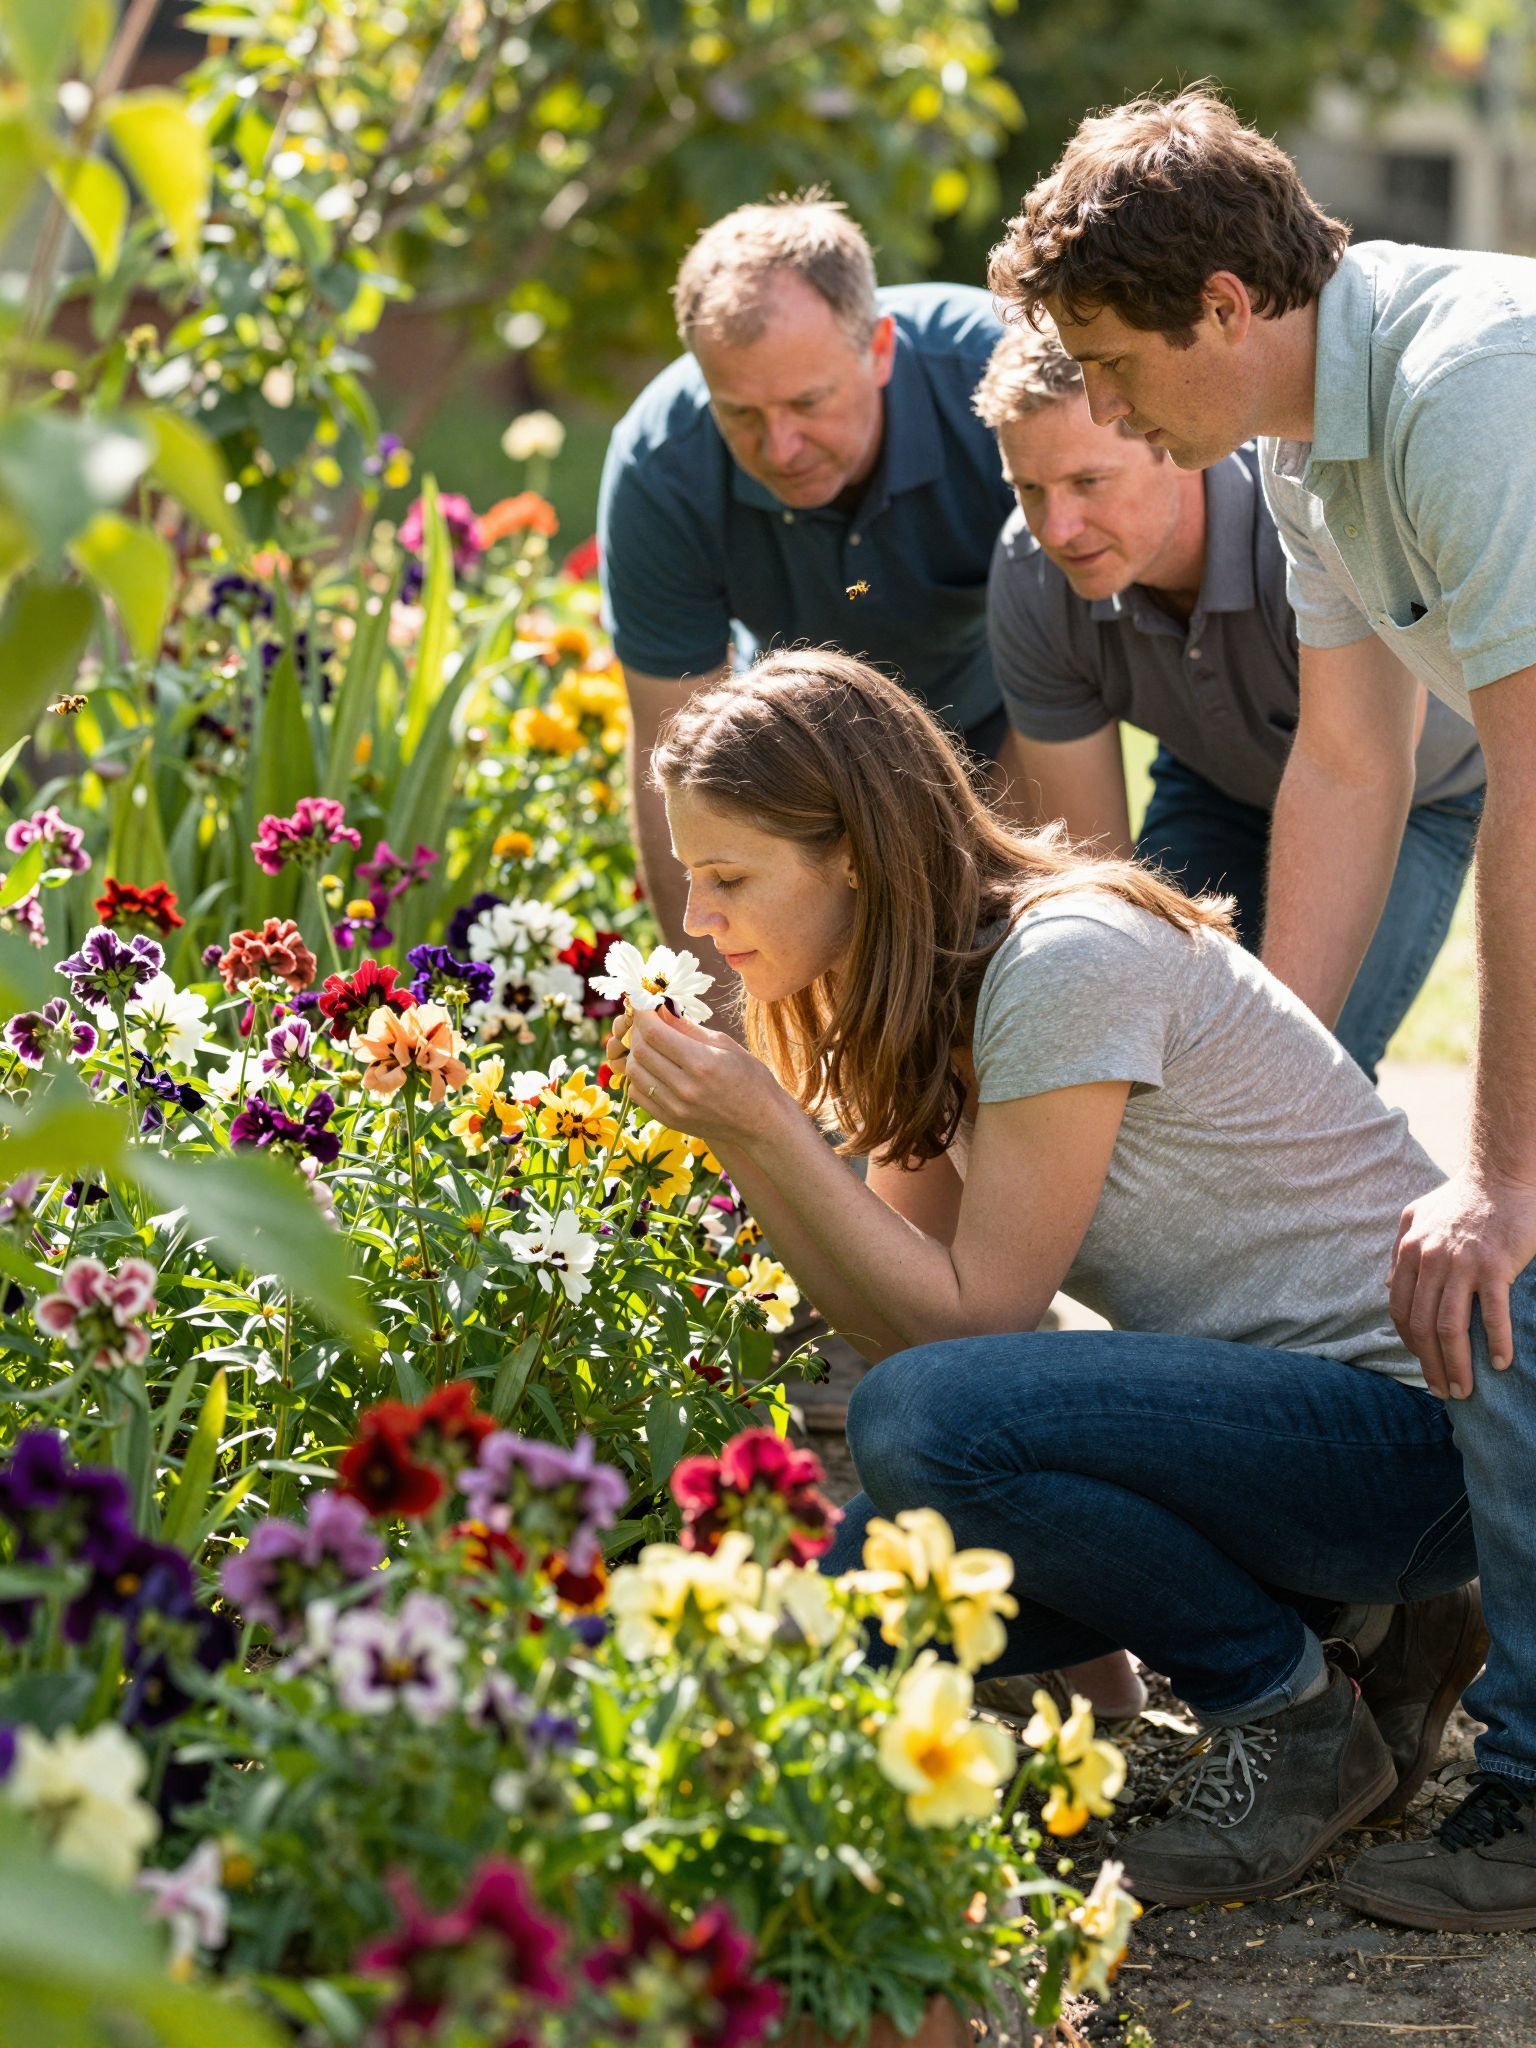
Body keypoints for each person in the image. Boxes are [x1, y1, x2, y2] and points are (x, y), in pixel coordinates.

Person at [605, 648, 1485, 1909]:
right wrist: (756, 1149)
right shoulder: (936, 989)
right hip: (1282, 1440)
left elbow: (969, 1331)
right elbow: (905, 1316)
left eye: (728, 876)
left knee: (920, 1429)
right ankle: (1376, 1631)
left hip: (1405, 1443)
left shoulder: (1064, 959)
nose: (697, 918)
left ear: (850, 848)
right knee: (857, 1608)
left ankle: (1289, 1716)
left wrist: (764, 1130)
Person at [987, 85, 1536, 1931]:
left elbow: (1526, 792)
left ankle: (1526, 1791)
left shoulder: (1469, 386)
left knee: (1512, 1258)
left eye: (1124, 367)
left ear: (1229, 304)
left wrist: (1503, 1168)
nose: (1114, 413)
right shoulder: (1312, 446)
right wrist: (1271, 1081)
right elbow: (1347, 768)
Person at [973, 320, 1484, 1082]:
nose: (1057, 527)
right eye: (1030, 488)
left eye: (1088, 482)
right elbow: (1097, 872)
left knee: (1306, 1073)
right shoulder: (1029, 577)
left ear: (1170, 444)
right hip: (1219, 783)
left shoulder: (1310, 532)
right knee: (1144, 1038)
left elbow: (1356, 773)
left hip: (1410, 796)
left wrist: (1270, 1062)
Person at [596, 194, 1018, 949]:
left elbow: (1073, 671)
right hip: (807, 764)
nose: (781, 448)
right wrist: (727, 1039)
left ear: (880, 348)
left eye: (808, 403)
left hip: (1012, 716)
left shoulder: (998, 383)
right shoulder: (662, 466)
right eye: (743, 415)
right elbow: (676, 760)